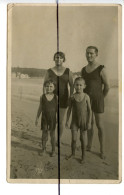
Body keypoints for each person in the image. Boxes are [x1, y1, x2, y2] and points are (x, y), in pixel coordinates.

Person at [81, 46, 110, 159]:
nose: (89, 55)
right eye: (87, 53)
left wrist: (101, 97)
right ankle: (89, 146)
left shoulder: (101, 68)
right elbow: (82, 85)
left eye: (91, 53)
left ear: (96, 54)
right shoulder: (83, 69)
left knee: (99, 125)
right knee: (89, 124)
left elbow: (107, 86)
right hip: (86, 100)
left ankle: (102, 150)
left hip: (98, 100)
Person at [43, 52, 73, 144]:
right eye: (56, 57)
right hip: (51, 98)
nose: (58, 59)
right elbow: (44, 85)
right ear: (54, 59)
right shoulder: (49, 71)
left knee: (61, 121)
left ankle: (58, 139)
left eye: (60, 58)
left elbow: (72, 86)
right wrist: (45, 98)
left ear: (63, 59)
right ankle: (49, 138)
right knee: (50, 119)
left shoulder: (68, 71)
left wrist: (71, 97)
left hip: (64, 98)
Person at [65, 77, 92, 164]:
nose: (78, 87)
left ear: (84, 86)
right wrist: (67, 120)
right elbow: (69, 109)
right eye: (77, 85)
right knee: (73, 139)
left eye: (80, 85)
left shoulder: (86, 97)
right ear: (74, 85)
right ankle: (73, 154)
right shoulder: (72, 97)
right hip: (74, 122)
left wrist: (89, 122)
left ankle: (83, 157)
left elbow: (90, 111)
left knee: (83, 139)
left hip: (83, 121)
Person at [35, 80, 58, 157]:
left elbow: (57, 109)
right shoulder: (42, 96)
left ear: (54, 88)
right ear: (45, 87)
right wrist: (37, 117)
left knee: (52, 135)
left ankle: (53, 150)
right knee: (44, 134)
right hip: (44, 118)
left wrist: (58, 118)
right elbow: (40, 108)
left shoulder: (56, 97)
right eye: (47, 86)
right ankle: (43, 149)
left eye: (51, 86)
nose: (49, 88)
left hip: (53, 119)